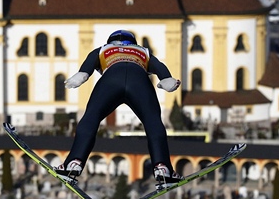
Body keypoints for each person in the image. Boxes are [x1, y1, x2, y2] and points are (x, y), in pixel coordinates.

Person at [55, 30, 183, 188]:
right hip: (139, 81)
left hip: (111, 79)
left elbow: (85, 70)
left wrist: (79, 77)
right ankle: (163, 168)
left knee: (91, 118)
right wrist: (167, 79)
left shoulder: (103, 49)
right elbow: (160, 67)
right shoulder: (143, 51)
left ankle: (74, 163)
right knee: (153, 122)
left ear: (110, 41)